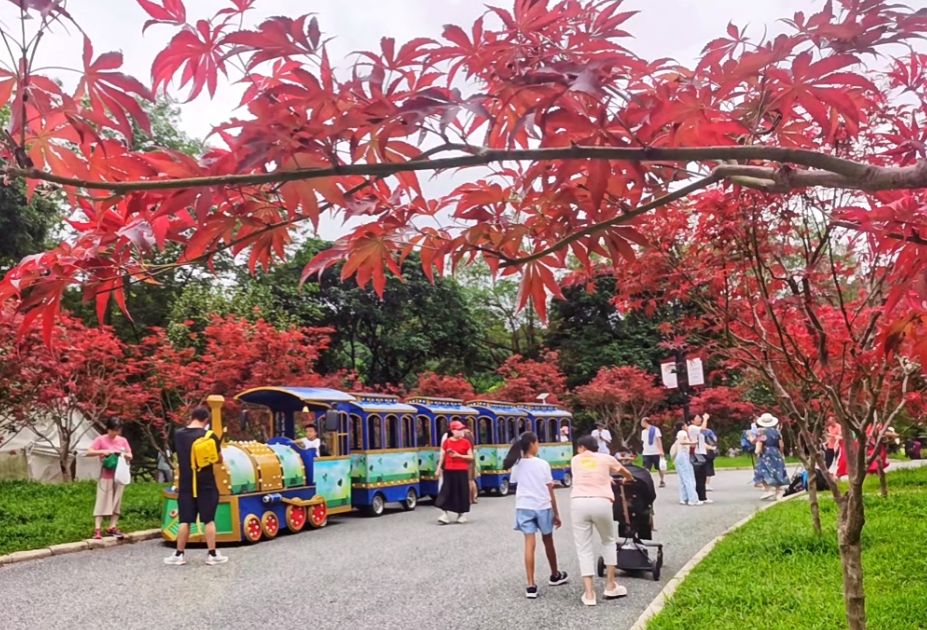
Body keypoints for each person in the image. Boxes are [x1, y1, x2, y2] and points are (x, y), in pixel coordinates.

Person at [503, 431, 569, 599]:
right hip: (542, 506)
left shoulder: (517, 465)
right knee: (548, 540)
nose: (538, 446)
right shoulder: (542, 464)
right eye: (537, 443)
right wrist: (556, 513)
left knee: (529, 544)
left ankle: (531, 585)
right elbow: (550, 490)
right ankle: (555, 575)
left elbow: (515, 482)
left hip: (524, 506)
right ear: (532, 444)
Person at [570, 434, 634, 606]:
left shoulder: (575, 460)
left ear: (582, 448)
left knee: (584, 547)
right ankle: (611, 585)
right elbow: (624, 471)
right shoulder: (606, 458)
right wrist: (630, 478)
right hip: (601, 502)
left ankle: (589, 594)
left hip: (578, 503)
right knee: (608, 541)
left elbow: (588, 474)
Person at [164, 406, 229, 566]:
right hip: (206, 483)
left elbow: (175, 453)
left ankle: (179, 555)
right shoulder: (209, 436)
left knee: (184, 520)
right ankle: (212, 554)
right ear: (206, 420)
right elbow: (218, 459)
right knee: (209, 520)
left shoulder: (178, 435)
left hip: (186, 483)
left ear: (191, 417)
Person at [85, 418, 133, 540]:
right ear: (108, 429)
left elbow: (130, 455)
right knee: (102, 500)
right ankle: (97, 529)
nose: (116, 433)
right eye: (113, 430)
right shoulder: (100, 439)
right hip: (106, 475)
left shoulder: (123, 441)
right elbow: (89, 452)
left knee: (117, 502)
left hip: (119, 475)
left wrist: (122, 454)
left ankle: (112, 526)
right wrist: (104, 451)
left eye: (118, 430)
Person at [435, 420, 474, 524]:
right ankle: (445, 514)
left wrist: (459, 456)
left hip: (461, 470)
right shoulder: (447, 442)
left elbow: (471, 456)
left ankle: (462, 514)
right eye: (459, 429)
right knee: (446, 491)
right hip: (449, 470)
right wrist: (438, 469)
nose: (461, 431)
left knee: (461, 492)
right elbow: (442, 455)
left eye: (462, 429)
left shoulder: (466, 442)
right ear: (453, 430)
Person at [754, 413, 790, 500]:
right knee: (777, 470)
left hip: (766, 452)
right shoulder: (777, 432)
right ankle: (778, 490)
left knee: (763, 470)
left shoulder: (761, 432)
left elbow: (760, 443)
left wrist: (757, 451)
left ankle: (768, 490)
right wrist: (781, 453)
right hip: (776, 452)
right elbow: (781, 445)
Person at [670, 422, 700, 506]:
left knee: (682, 478)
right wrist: (692, 443)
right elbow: (682, 442)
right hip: (683, 456)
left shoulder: (678, 434)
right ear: (683, 427)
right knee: (688, 478)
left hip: (679, 458)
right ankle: (692, 499)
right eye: (686, 425)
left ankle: (683, 498)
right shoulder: (682, 433)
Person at [687, 414, 713, 503]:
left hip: (702, 453)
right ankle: (699, 497)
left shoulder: (696, 429)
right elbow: (703, 429)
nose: (700, 419)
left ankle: (702, 496)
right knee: (699, 477)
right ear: (692, 421)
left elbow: (702, 442)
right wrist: (706, 419)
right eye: (697, 418)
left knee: (703, 476)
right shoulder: (692, 427)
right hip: (697, 455)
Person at [639, 417, 665, 488]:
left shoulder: (655, 430)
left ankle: (662, 480)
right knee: (646, 468)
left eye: (642, 422)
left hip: (655, 451)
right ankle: (647, 481)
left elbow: (658, 440)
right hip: (646, 452)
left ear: (645, 422)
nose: (641, 424)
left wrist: (661, 450)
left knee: (659, 467)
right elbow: (644, 442)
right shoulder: (643, 432)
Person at [463, 428, 481, 504]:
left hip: (467, 457)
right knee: (471, 480)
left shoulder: (465, 437)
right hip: (472, 457)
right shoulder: (470, 435)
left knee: (468, 480)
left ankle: (469, 498)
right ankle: (474, 497)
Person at [701, 423, 718, 492]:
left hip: (700, 452)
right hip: (709, 451)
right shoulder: (709, 431)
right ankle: (707, 484)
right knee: (709, 467)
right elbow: (715, 439)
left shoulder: (694, 430)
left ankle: (701, 483)